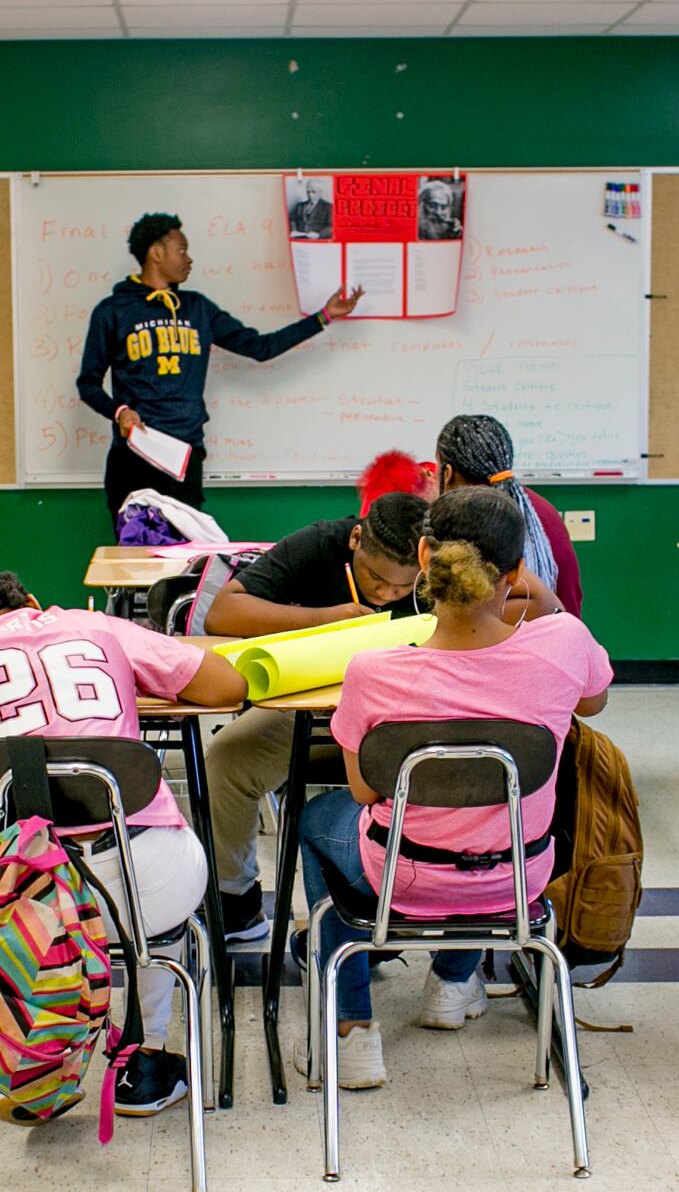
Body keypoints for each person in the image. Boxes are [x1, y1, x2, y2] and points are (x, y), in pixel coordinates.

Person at [0, 573, 248, 1120]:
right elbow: (228, 688)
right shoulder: (100, 627)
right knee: (167, 899)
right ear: (36, 603)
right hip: (138, 884)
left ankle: (26, 1060)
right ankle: (145, 1059)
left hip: (10, 907)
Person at [302, 484, 613, 1091]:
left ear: (423, 557)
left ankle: (353, 1029)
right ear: (515, 571)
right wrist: (549, 604)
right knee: (488, 818)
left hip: (404, 876)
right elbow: (594, 700)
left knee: (319, 823)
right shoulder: (564, 644)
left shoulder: (373, 670)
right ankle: (450, 983)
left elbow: (366, 794)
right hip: (517, 880)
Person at [200, 490, 432, 943]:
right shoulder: (319, 543)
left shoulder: (440, 570)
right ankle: (236, 901)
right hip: (314, 713)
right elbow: (222, 613)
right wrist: (324, 620)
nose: (386, 594)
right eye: (375, 578)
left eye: (403, 588)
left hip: (403, 719)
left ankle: (395, 906)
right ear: (356, 539)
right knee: (226, 758)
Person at [77, 211, 363, 519]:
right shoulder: (112, 312)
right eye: (182, 250)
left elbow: (260, 347)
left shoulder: (197, 308)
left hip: (185, 455)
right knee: (134, 556)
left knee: (184, 560)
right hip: (134, 455)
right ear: (156, 253)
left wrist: (323, 317)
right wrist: (119, 412)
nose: (189, 259)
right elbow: (87, 383)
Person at [435, 413, 580, 618]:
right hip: (560, 633)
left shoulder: (459, 520)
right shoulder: (543, 509)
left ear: (447, 472)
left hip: (494, 641)